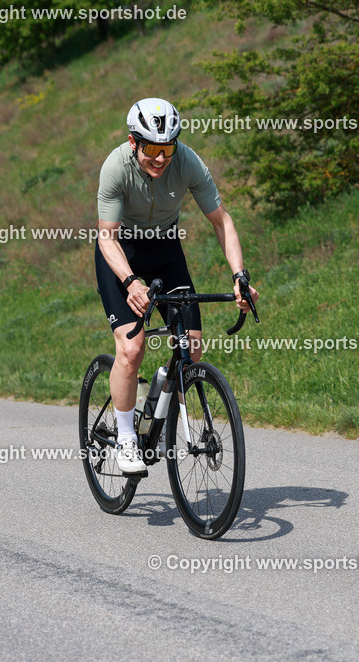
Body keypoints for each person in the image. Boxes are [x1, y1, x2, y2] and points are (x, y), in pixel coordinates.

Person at [95, 98, 259, 474]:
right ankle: (125, 438)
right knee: (132, 347)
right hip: (122, 252)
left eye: (166, 148)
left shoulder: (187, 162)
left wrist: (239, 276)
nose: (159, 158)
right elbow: (107, 238)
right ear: (134, 142)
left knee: (192, 347)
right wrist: (130, 281)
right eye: (151, 148)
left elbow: (222, 221)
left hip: (165, 250)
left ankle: (165, 382)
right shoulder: (115, 167)